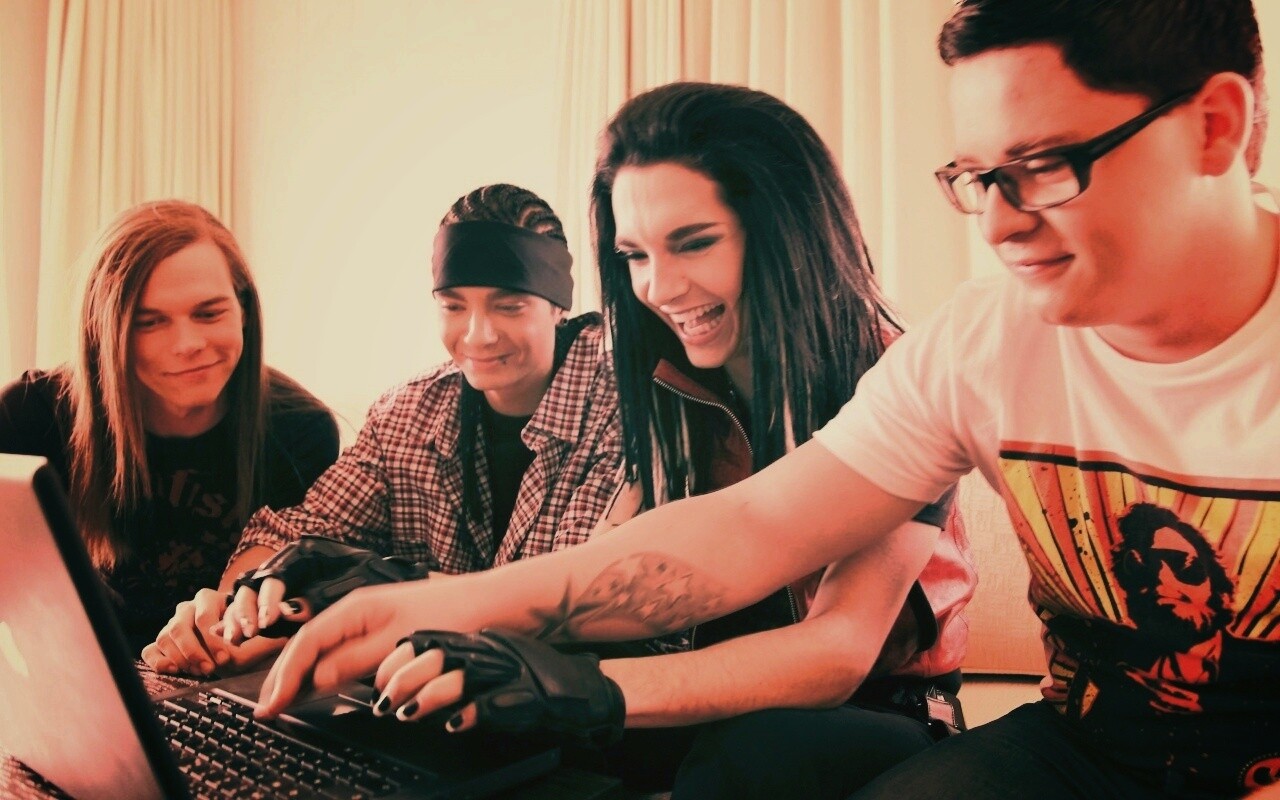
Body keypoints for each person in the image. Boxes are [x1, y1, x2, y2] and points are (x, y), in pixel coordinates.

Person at [255, 1, 1280, 797]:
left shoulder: (883, 349)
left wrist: (586, 690)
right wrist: (414, 605)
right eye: (976, 178)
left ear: (1216, 127)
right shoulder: (983, 338)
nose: (998, 225)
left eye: (1044, 167)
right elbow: (747, 530)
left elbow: (835, 649)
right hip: (1079, 746)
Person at [234, 86, 974, 799]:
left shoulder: (891, 370)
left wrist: (585, 689)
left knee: (752, 758)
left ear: (785, 229)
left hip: (873, 707)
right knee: (465, 720)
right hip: (712, 681)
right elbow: (620, 578)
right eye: (635, 255)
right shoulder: (664, 368)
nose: (660, 287)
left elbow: (839, 652)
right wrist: (397, 595)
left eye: (693, 243)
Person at [143, 184, 626, 678]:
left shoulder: (626, 411)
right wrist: (232, 615)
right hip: (419, 701)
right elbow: (297, 531)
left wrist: (392, 583)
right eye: (453, 306)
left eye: (510, 306)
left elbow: (577, 604)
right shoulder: (407, 413)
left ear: (558, 304)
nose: (477, 334)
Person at [0, 199, 339, 655]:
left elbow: (286, 599)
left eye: (209, 313)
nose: (187, 344)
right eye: (149, 323)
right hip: (84, 673)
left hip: (228, 673)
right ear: (104, 330)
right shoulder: (30, 416)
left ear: (243, 309)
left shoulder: (300, 430)